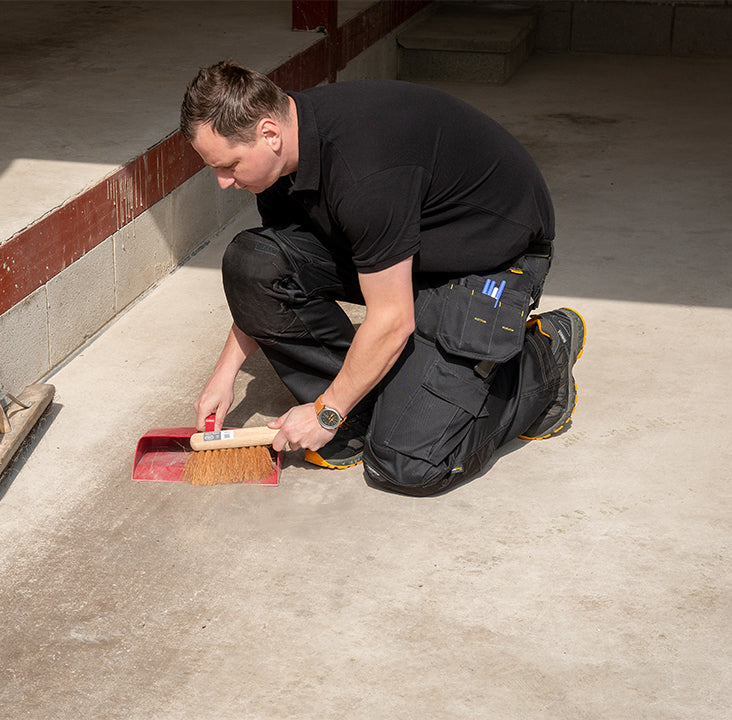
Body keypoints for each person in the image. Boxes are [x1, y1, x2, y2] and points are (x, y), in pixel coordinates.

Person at [179, 61, 585, 496]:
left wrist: (325, 413)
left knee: (407, 464)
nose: (223, 182)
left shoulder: (364, 172)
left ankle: (544, 356)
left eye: (229, 166)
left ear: (269, 134)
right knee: (253, 260)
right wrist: (225, 374)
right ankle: (365, 405)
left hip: (488, 259)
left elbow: (393, 318)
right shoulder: (280, 164)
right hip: (407, 251)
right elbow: (270, 273)